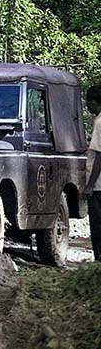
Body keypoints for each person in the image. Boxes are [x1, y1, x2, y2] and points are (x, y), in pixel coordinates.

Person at [84, 86, 101, 261]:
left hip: (98, 186)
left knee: (97, 226)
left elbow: (99, 156)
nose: (87, 105)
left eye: (88, 102)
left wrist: (89, 185)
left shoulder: (99, 122)